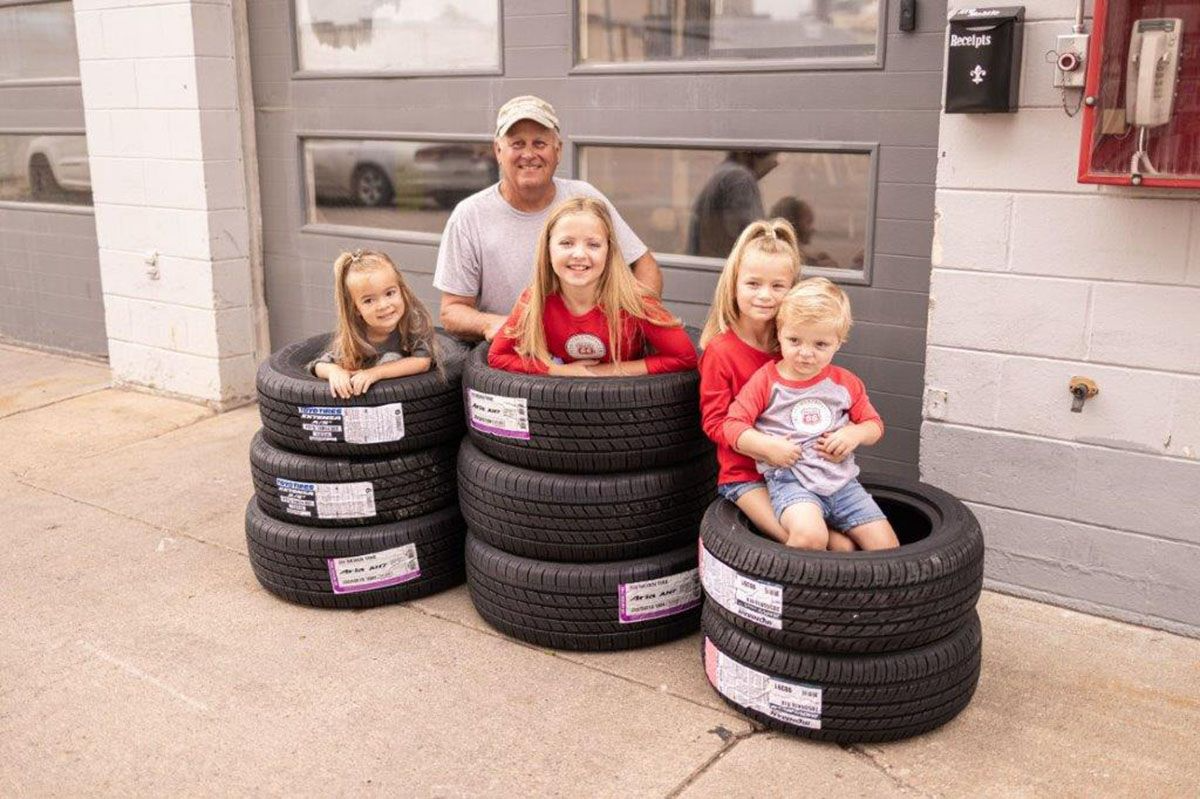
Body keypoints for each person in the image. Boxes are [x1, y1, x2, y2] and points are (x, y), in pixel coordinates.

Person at [435, 95, 662, 342]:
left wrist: (631, 322)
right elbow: (451, 310)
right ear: (498, 151)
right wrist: (495, 324)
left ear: (558, 150)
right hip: (512, 347)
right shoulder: (469, 216)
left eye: (540, 143)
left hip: (587, 339)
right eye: (518, 144)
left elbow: (645, 266)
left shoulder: (584, 198)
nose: (529, 154)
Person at [723, 278, 900, 551]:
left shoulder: (845, 382)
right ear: (779, 332)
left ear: (838, 343)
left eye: (820, 345)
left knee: (886, 546)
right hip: (792, 484)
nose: (806, 354)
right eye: (794, 340)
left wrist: (853, 433)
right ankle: (790, 591)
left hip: (843, 484)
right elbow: (732, 426)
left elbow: (874, 425)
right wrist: (767, 446)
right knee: (810, 537)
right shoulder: (766, 381)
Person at [488, 197, 696, 377]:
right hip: (560, 408)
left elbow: (685, 356)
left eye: (593, 244)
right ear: (548, 249)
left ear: (609, 251)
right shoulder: (533, 301)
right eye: (566, 243)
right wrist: (561, 371)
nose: (579, 254)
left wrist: (600, 373)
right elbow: (497, 356)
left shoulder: (636, 301)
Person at [310, 249, 437, 398]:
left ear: (402, 291)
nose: (383, 305)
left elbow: (422, 362)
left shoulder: (413, 325)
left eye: (390, 293)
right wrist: (335, 372)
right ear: (356, 309)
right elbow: (318, 366)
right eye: (369, 300)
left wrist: (375, 373)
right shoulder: (355, 338)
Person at [686, 150, 779, 258]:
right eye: (773, 158)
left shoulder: (722, 173)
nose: (775, 164)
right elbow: (754, 238)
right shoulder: (739, 178)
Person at [768, 196, 839, 268]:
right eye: (808, 222)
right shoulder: (775, 262)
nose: (813, 229)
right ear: (793, 224)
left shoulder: (810, 261)